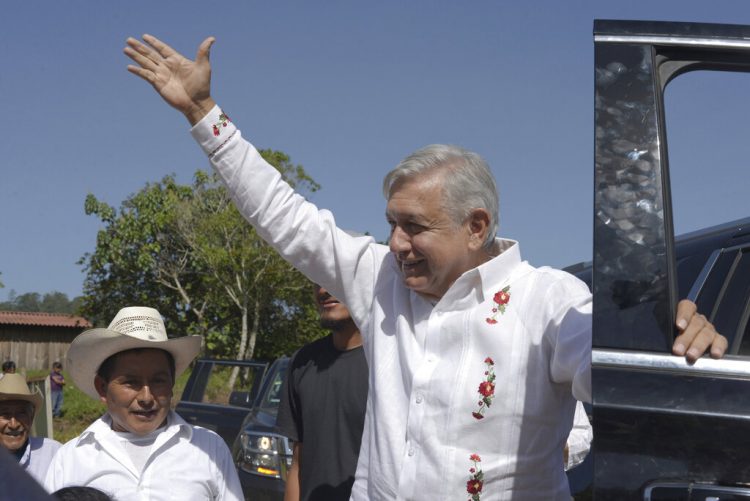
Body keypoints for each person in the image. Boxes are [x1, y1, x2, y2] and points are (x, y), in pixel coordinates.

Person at [124, 35, 727, 500]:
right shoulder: (379, 280)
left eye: (414, 226)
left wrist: (667, 347)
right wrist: (203, 112)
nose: (395, 244)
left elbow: (609, 368)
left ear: (477, 226)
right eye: (391, 223)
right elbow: (285, 217)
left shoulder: (549, 300)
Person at [44, 306, 244, 501]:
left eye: (158, 381)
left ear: (172, 383)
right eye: (131, 382)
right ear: (102, 388)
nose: (146, 397)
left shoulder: (209, 448)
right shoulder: (71, 458)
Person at [277, 284, 369, 501]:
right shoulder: (303, 362)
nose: (323, 290)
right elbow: (298, 463)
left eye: (335, 277)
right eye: (317, 280)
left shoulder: (389, 362)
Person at [0, 373, 62, 486]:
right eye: (5, 414)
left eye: (21, 413)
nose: (14, 425)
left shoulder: (54, 454)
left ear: (32, 416)